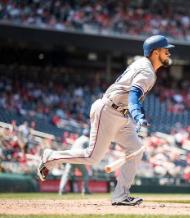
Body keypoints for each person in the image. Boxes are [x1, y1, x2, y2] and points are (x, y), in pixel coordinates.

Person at [37, 35, 174, 206]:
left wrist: (134, 114)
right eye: (165, 49)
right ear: (155, 52)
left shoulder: (143, 64)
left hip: (121, 113)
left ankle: (121, 196)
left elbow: (133, 96)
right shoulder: (146, 71)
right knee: (93, 157)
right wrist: (138, 115)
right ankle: (51, 157)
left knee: (136, 149)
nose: (168, 52)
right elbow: (134, 95)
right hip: (109, 110)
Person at [58, 129, 91, 195]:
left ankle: (61, 190)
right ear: (88, 134)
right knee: (85, 173)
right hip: (77, 157)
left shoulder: (78, 139)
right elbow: (90, 151)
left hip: (71, 157)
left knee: (66, 174)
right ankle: (85, 190)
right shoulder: (87, 140)